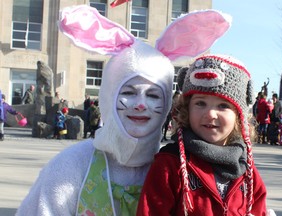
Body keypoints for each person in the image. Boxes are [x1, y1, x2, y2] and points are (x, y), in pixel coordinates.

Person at [16, 6, 231, 215]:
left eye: (153, 95)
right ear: (109, 96)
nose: (140, 104)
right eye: (128, 92)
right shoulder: (71, 166)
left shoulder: (175, 169)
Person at [137, 55, 268, 215]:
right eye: (200, 103)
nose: (211, 113)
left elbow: (258, 209)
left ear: (238, 117)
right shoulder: (170, 163)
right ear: (186, 109)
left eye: (223, 105)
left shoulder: (247, 169)